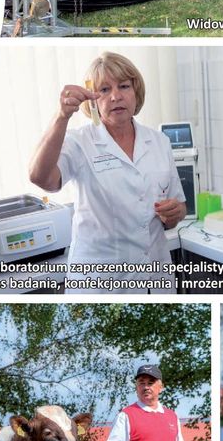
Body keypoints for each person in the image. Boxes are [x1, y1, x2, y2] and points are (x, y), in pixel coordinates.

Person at [28, 53, 187, 294]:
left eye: (124, 86)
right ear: (92, 100)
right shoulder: (80, 142)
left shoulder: (158, 141)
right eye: (104, 90)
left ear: (136, 92)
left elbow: (179, 206)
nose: (115, 96)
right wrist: (62, 116)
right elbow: (41, 178)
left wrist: (174, 213)